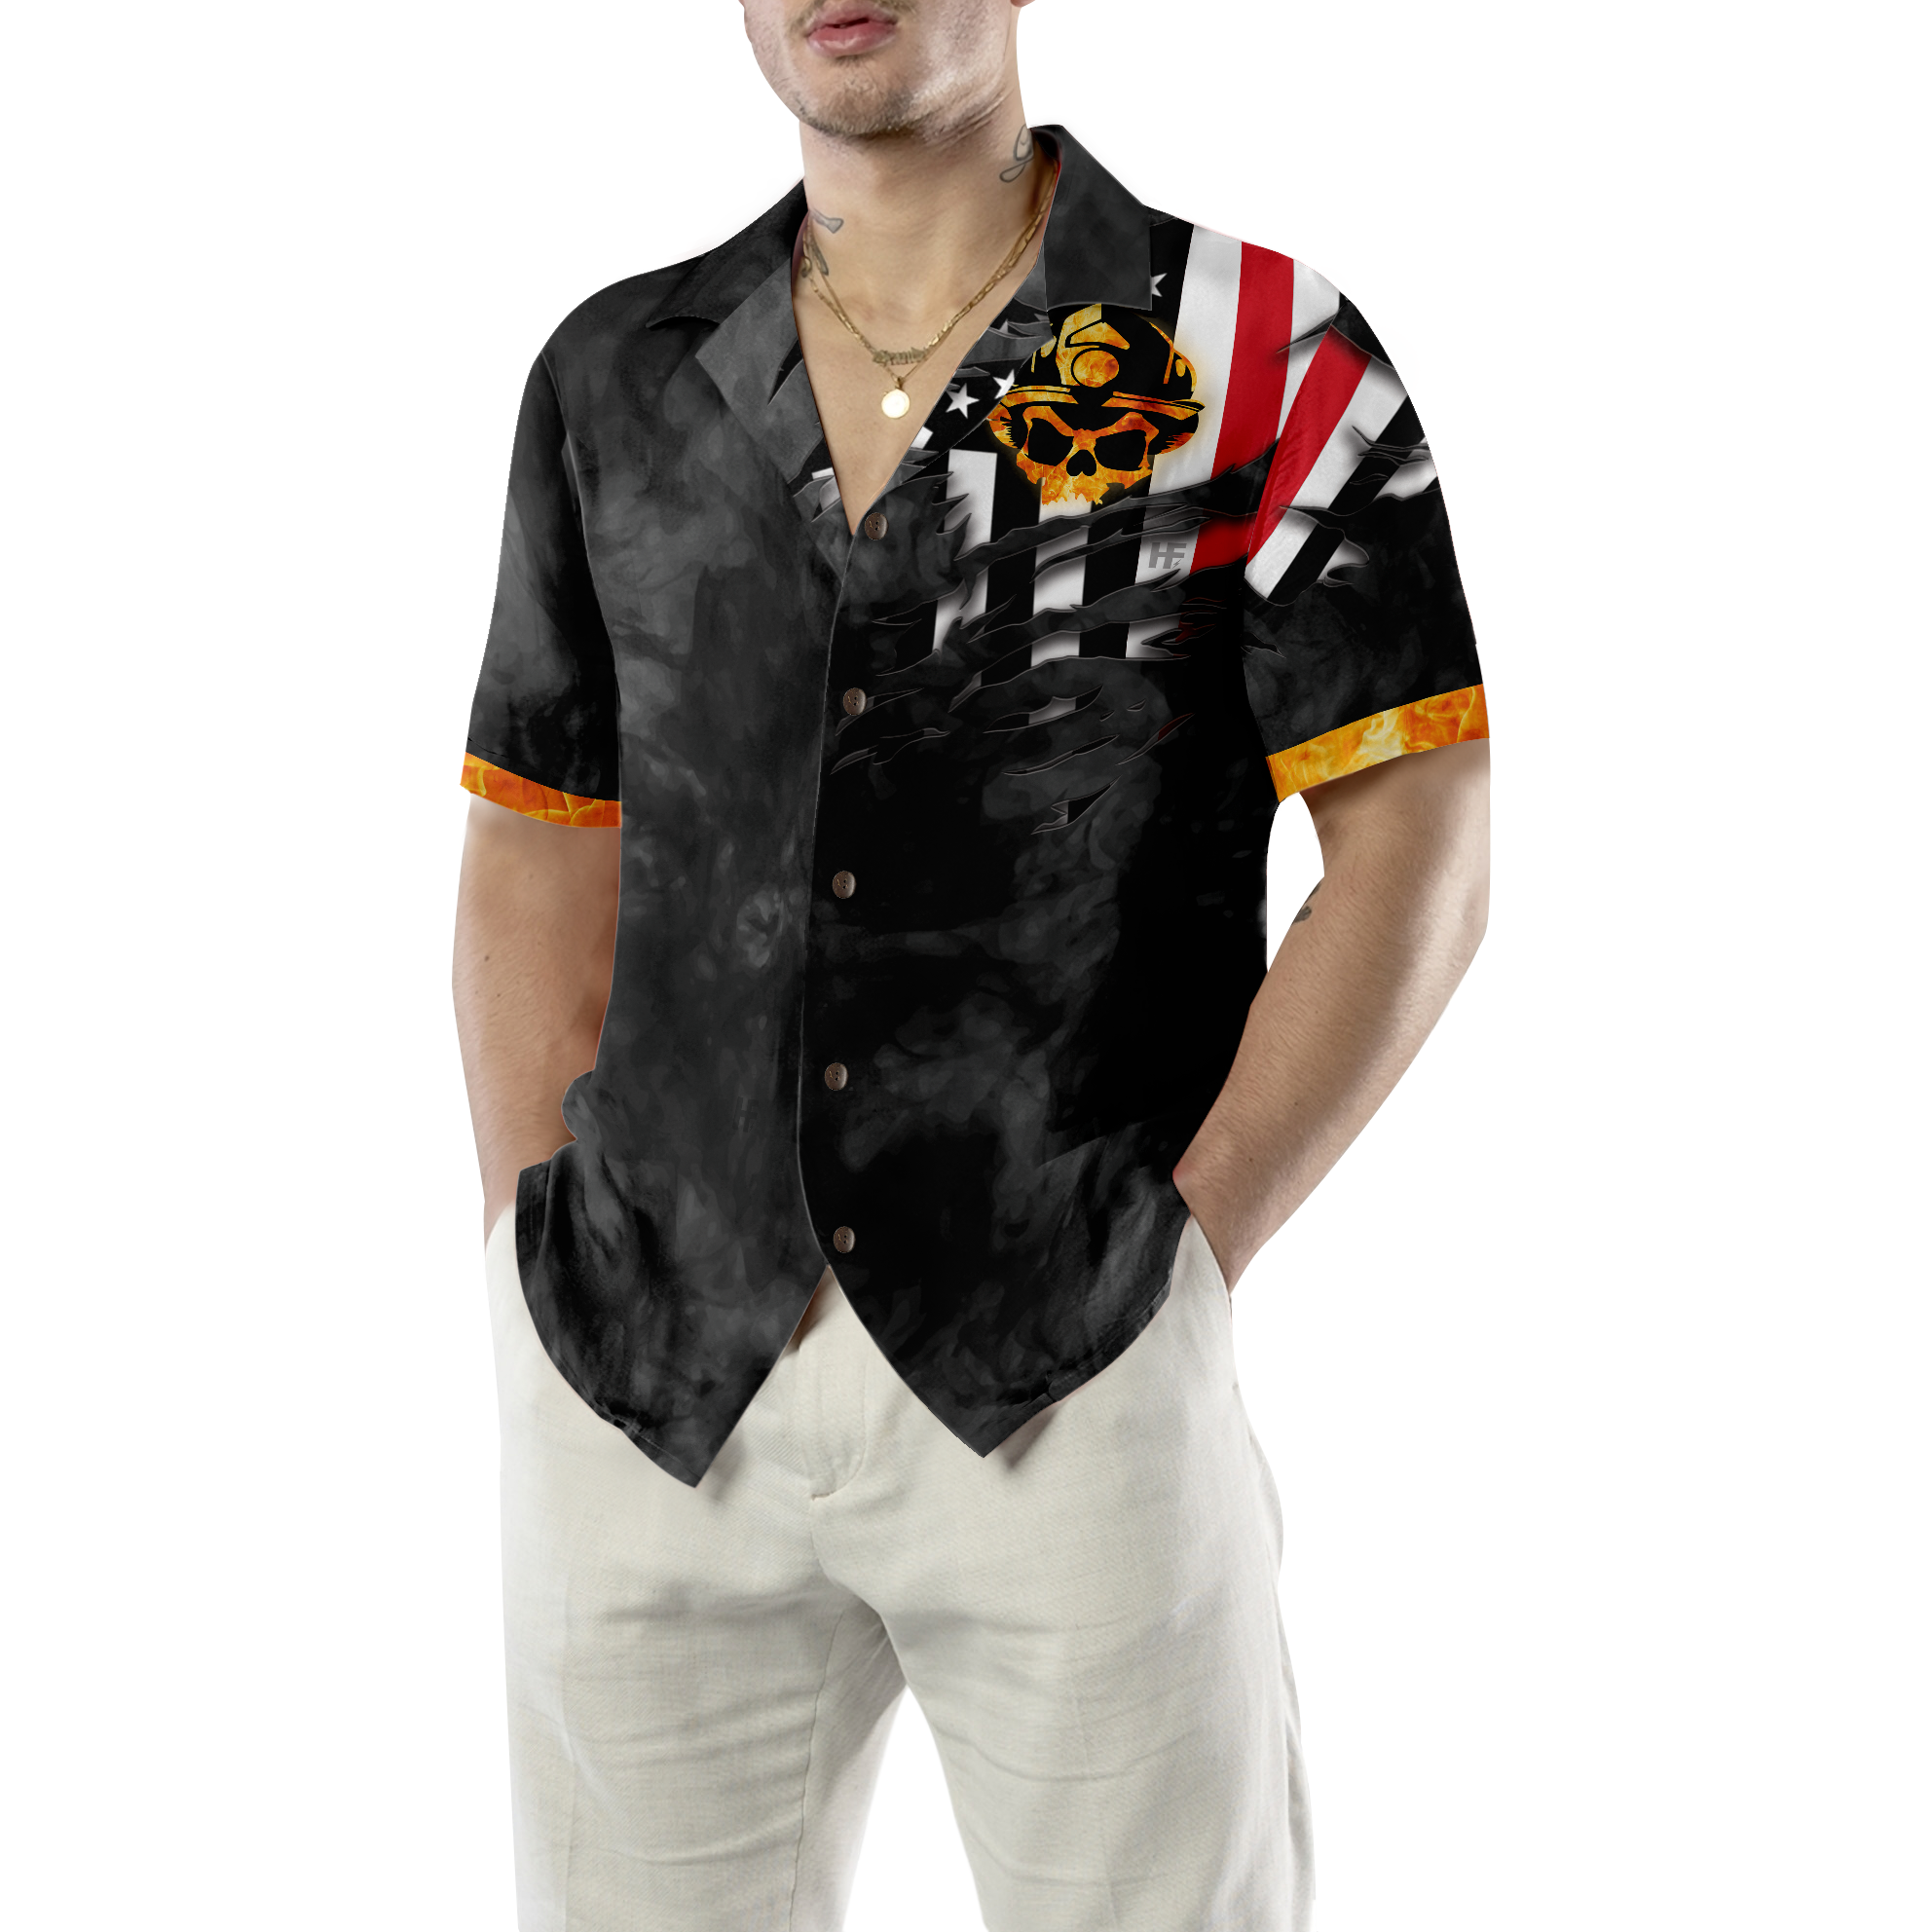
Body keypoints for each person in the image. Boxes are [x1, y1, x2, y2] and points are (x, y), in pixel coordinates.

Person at [451, 2, 1490, 1925]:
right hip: (646, 1377)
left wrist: (1192, 1250)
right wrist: (537, 1227)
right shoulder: (616, 376)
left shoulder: (1251, 350)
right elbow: (536, 840)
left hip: (1067, 1356)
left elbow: (1416, 833)